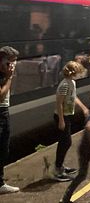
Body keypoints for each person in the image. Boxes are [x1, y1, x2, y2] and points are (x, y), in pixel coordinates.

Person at [54, 61, 90, 182]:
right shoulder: (64, 84)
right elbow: (59, 103)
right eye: (79, 72)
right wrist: (61, 120)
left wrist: (84, 108)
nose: (80, 74)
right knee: (66, 142)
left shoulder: (72, 83)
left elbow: (73, 97)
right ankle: (57, 170)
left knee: (66, 142)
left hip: (67, 115)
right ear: (74, 72)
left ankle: (60, 166)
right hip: (61, 116)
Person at [0, 46, 19, 194]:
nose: (12, 66)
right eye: (9, 63)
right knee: (1, 149)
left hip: (3, 111)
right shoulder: (4, 75)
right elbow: (1, 95)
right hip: (1, 112)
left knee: (3, 149)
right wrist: (9, 77)